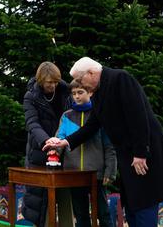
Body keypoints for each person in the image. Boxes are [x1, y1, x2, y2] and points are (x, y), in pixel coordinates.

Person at [44, 57, 163, 227]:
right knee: (132, 206)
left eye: (80, 79)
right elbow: (93, 125)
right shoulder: (99, 91)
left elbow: (138, 116)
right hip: (129, 157)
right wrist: (65, 142)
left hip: (144, 155)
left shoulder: (120, 79)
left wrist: (140, 153)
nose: (80, 84)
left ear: (91, 73)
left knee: (144, 204)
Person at [55, 78, 116, 227]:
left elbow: (109, 146)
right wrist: (53, 152)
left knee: (103, 213)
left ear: (90, 92)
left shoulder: (99, 115)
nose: (76, 96)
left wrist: (110, 171)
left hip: (96, 174)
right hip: (73, 174)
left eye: (80, 92)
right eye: (73, 93)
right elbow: (59, 140)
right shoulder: (67, 116)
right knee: (81, 214)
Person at [22, 61, 71, 226]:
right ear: (41, 80)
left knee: (65, 197)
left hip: (64, 149)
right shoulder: (31, 96)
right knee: (40, 200)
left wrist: (62, 139)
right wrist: (46, 139)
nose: (53, 85)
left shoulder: (66, 91)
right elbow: (32, 122)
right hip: (39, 150)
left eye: (56, 82)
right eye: (50, 82)